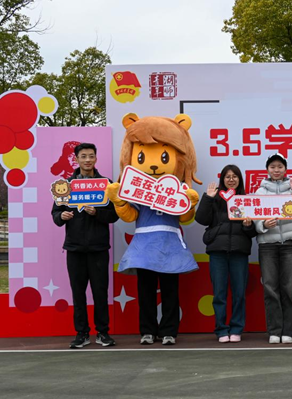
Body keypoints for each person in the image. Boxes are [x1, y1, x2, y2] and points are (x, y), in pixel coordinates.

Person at [106, 114, 200, 346]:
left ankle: (169, 331)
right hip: (144, 247)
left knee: (170, 291)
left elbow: (185, 219)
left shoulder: (178, 189)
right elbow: (131, 215)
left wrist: (190, 203)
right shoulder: (136, 189)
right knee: (145, 291)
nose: (155, 163)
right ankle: (147, 330)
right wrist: (119, 201)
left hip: (170, 245)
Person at [51, 142, 119, 349]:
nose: (87, 160)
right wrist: (61, 216)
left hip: (99, 248)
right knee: (78, 292)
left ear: (96, 158)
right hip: (74, 248)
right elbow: (55, 214)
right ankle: (82, 333)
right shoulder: (66, 185)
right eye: (83, 156)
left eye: (91, 156)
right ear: (76, 159)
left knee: (100, 292)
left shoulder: (106, 184)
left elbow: (114, 215)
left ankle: (103, 333)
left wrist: (97, 213)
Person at [196, 165, 257, 343]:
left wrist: (248, 226)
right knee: (219, 293)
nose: (231, 179)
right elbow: (201, 219)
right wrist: (208, 198)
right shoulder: (215, 198)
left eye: (235, 176)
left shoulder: (246, 200)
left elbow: (253, 232)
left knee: (239, 293)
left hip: (239, 252)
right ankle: (221, 329)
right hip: (218, 252)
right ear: (222, 179)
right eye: (228, 176)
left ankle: (236, 329)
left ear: (240, 179)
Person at [254, 153, 292, 344]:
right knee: (270, 288)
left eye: (280, 167)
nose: (276, 170)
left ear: (285, 169)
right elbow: (254, 218)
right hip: (267, 245)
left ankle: (289, 331)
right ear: (267, 169)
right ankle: (274, 331)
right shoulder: (260, 192)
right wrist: (263, 225)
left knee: (289, 289)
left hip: (289, 245)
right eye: (273, 167)